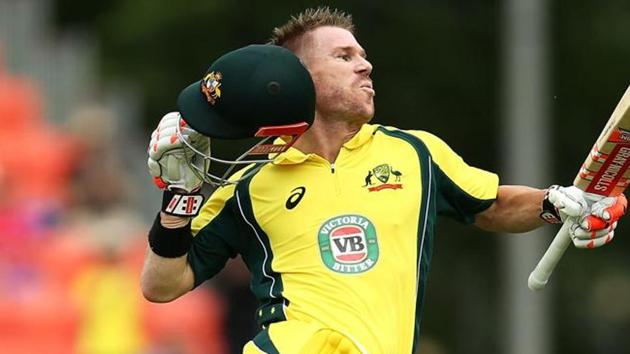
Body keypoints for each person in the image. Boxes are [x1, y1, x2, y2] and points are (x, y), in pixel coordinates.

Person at [141, 7, 627, 354]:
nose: (365, 64)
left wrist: (555, 203)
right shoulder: (248, 187)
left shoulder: (413, 152)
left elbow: (492, 205)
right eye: (344, 57)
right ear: (297, 78)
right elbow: (162, 285)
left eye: (362, 55)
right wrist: (180, 200)